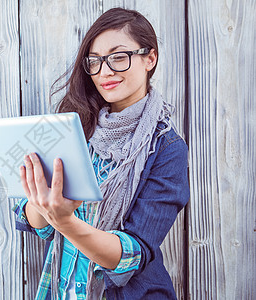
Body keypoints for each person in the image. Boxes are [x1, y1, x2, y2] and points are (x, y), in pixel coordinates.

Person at [12, 7, 189, 300]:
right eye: (95, 61)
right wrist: (42, 203)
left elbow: (133, 254)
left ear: (150, 58)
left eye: (118, 57)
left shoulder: (167, 148)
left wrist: (65, 221)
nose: (104, 71)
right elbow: (32, 221)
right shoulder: (74, 125)